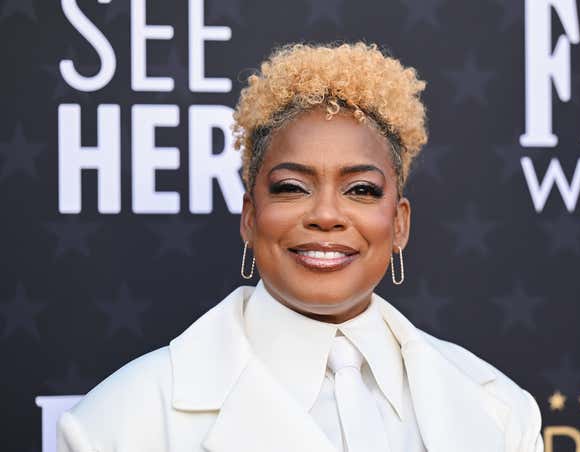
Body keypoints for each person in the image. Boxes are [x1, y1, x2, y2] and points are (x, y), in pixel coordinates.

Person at [57, 42, 544, 452]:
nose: (326, 215)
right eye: (292, 187)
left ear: (399, 225)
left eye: (361, 190)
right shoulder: (115, 425)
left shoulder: (500, 409)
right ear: (250, 217)